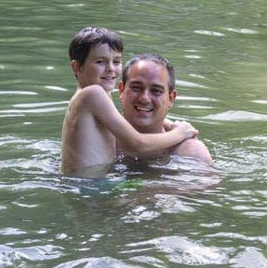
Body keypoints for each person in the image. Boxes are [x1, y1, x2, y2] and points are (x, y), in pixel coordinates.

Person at [60, 28, 197, 177]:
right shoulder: (93, 93)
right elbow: (137, 145)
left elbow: (117, 119)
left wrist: (167, 123)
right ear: (77, 67)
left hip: (91, 183)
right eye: (100, 62)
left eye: (116, 61)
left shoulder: (95, 95)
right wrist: (180, 133)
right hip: (91, 189)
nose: (111, 69)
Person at [117, 53, 212, 165]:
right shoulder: (100, 136)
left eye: (156, 91)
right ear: (121, 90)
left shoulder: (189, 152)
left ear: (171, 98)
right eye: (136, 88)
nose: (144, 99)